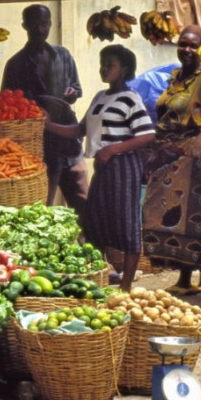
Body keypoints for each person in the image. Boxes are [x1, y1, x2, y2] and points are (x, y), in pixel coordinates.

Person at [46, 44, 155, 292]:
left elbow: (148, 135)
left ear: (124, 69)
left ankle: (126, 285)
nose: (104, 69)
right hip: (104, 168)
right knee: (95, 221)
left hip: (123, 167)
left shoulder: (131, 98)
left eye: (110, 65)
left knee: (126, 222)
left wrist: (113, 149)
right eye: (102, 63)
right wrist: (49, 126)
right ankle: (102, 277)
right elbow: (80, 130)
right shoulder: (100, 97)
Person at [142, 24, 201, 295]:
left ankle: (191, 274)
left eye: (193, 45)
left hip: (191, 154)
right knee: (159, 215)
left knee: (187, 216)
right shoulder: (175, 76)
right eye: (182, 44)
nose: (187, 50)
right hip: (164, 154)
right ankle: (199, 264)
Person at [1, 4, 89, 216]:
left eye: (44, 24)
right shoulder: (15, 65)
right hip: (38, 150)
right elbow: (6, 106)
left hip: (69, 144)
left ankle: (91, 247)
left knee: (84, 208)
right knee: (40, 210)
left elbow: (77, 89)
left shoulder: (63, 55)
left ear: (49, 24)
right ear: (25, 26)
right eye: (35, 24)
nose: (41, 29)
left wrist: (72, 93)